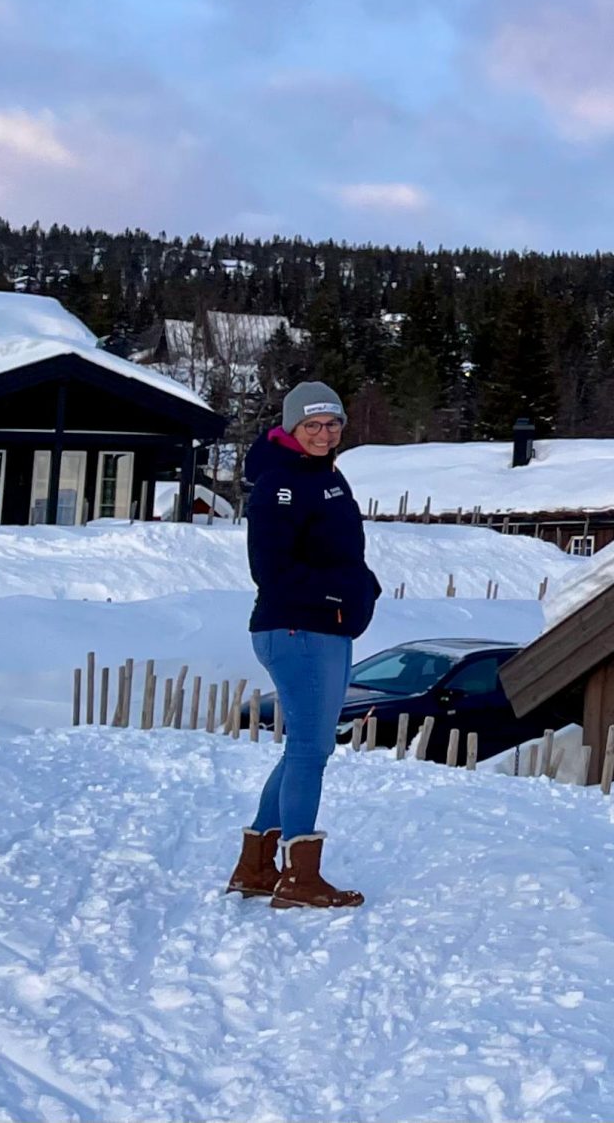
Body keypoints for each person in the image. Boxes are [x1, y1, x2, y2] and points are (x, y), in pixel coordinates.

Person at [223, 381, 381, 909]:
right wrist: (340, 594)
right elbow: (270, 569)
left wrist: (363, 587)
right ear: (292, 427)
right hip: (296, 630)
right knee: (311, 750)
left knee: (305, 750)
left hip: (323, 628)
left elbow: (338, 553)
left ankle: (255, 868)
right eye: (312, 425)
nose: (324, 433)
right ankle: (298, 879)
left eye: (332, 424)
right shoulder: (279, 483)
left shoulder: (327, 475)